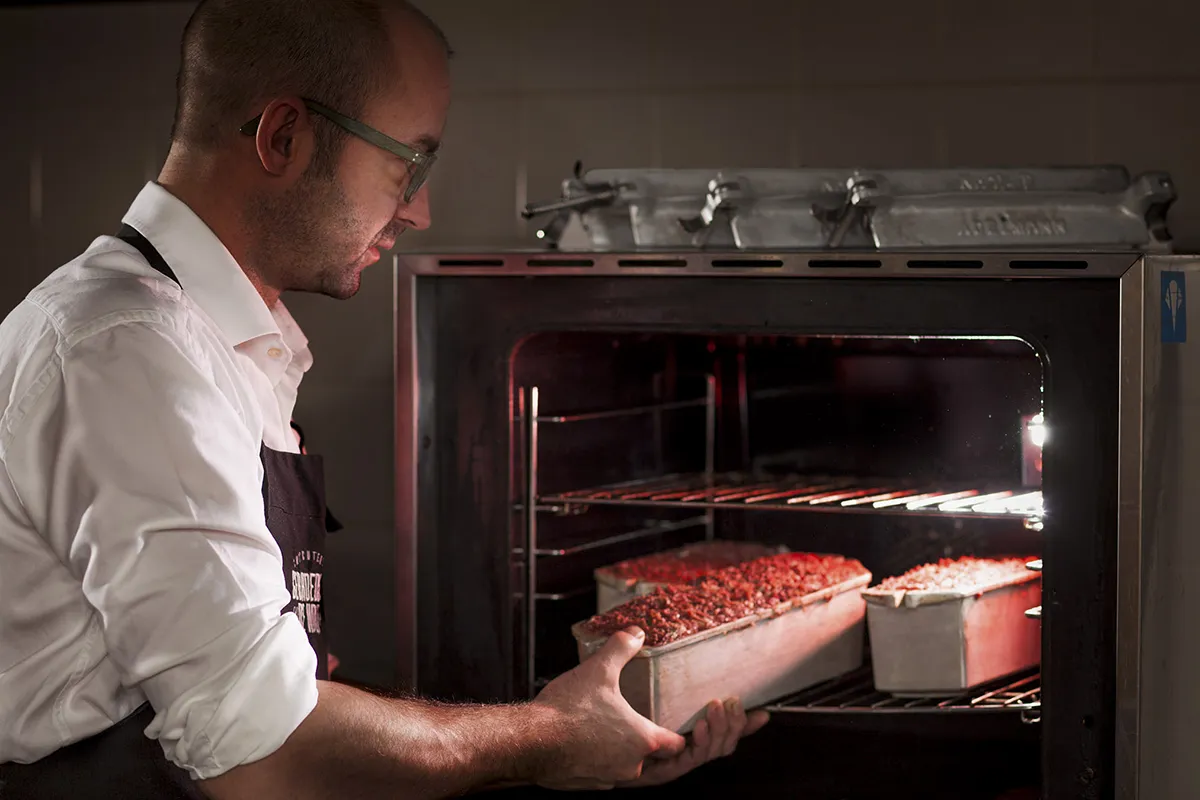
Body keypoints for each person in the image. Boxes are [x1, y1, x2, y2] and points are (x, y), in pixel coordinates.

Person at [0, 1, 768, 798]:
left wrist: (581, 742)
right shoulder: (128, 352)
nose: (419, 210)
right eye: (410, 165)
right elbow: (269, 754)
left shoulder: (212, 343)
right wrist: (552, 739)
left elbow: (266, 701)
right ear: (282, 138)